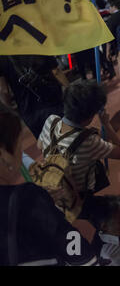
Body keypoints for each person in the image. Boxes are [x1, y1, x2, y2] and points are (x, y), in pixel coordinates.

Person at [0, 103, 98, 266]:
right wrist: (38, 206)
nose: (21, 152)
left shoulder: (26, 202)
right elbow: (79, 254)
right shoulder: (28, 199)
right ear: (3, 155)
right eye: (19, 146)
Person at [37, 80, 120, 227]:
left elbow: (39, 145)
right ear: (90, 116)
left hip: (56, 190)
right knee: (109, 213)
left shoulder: (51, 121)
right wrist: (106, 124)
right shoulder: (88, 141)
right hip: (80, 196)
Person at [0, 56, 66, 139]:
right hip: (52, 100)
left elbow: (3, 91)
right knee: (66, 136)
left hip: (28, 109)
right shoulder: (37, 44)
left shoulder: (3, 56)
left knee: (46, 143)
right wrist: (70, 89)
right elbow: (56, 72)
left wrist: (12, 109)